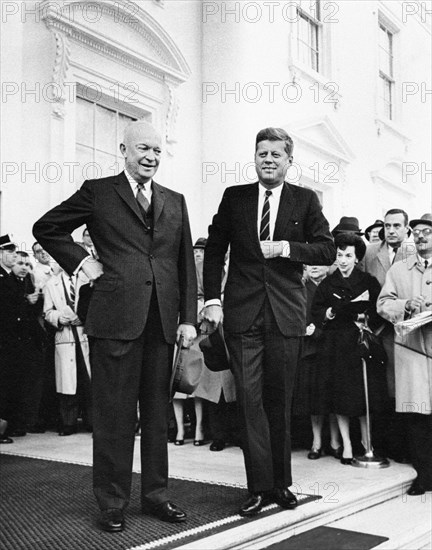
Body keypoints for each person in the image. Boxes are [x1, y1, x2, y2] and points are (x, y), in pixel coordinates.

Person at [33, 121, 197, 533]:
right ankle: (111, 503)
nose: (151, 157)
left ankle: (156, 496)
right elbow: (47, 228)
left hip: (161, 323)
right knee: (114, 416)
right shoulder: (98, 191)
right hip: (114, 321)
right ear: (123, 149)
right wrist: (82, 262)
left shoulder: (174, 200)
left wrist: (189, 320)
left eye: (158, 151)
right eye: (143, 148)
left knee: (158, 417)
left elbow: (183, 268)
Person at [202, 127, 335, 516]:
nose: (268, 159)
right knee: (249, 402)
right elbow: (214, 250)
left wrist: (286, 248)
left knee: (279, 400)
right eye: (262, 153)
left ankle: (280, 484)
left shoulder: (305, 199)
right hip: (243, 315)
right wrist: (212, 298)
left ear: (289, 161)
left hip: (285, 315)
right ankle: (258, 488)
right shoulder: (235, 198)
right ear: (255, 157)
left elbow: (326, 249)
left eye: (277, 154)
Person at [311, 233, 387, 465]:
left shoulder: (368, 281)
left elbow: (378, 309)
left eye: (348, 255)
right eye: (340, 255)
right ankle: (347, 445)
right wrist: (329, 313)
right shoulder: (328, 284)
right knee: (340, 396)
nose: (343, 260)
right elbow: (317, 311)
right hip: (336, 346)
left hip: (361, 344)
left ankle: (367, 444)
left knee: (365, 396)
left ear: (357, 258)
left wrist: (365, 316)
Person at [377, 213, 432, 496]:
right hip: (411, 353)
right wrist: (406, 304)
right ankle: (423, 476)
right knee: (417, 417)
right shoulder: (398, 270)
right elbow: (383, 304)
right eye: (418, 232)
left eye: (428, 232)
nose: (422, 236)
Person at [363, 208, 411, 461]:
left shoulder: (415, 252)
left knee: (405, 389)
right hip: (377, 330)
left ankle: (407, 448)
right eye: (387, 225)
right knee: (381, 389)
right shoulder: (371, 252)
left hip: (409, 332)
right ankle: (382, 446)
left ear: (406, 228)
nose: (391, 230)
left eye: (396, 226)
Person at [292, 265, 341, 460]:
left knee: (334, 395)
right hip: (310, 350)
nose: (312, 266)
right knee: (314, 397)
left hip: (335, 348)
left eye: (318, 262)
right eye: (308, 263)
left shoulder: (335, 285)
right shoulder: (300, 287)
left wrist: (320, 330)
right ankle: (317, 441)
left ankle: (335, 440)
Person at [0, 250, 45, 440]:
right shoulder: (4, 282)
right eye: (20, 263)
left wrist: (34, 301)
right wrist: (25, 300)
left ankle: (14, 424)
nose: (24, 268)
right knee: (6, 385)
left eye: (27, 265)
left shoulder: (27, 283)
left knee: (19, 385)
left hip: (24, 343)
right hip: (8, 343)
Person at [43, 265, 92, 436]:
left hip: (85, 335)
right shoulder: (51, 284)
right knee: (67, 384)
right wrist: (58, 318)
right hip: (64, 336)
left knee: (88, 381)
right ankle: (68, 423)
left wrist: (84, 318)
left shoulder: (88, 279)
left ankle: (91, 421)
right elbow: (47, 312)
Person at [0, 234, 18, 444]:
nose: (14, 255)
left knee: (8, 384)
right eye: (10, 251)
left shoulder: (12, 278)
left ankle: (5, 426)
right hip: (3, 339)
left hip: (12, 341)